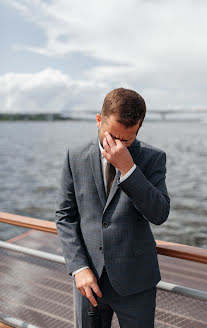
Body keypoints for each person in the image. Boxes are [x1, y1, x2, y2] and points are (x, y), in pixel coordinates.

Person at [55, 87, 170, 327]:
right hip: (89, 281)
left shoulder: (153, 158)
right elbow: (65, 217)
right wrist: (78, 268)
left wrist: (129, 170)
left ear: (138, 129)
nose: (117, 145)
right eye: (112, 136)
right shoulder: (74, 156)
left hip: (136, 284)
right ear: (99, 120)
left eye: (126, 139)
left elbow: (159, 214)